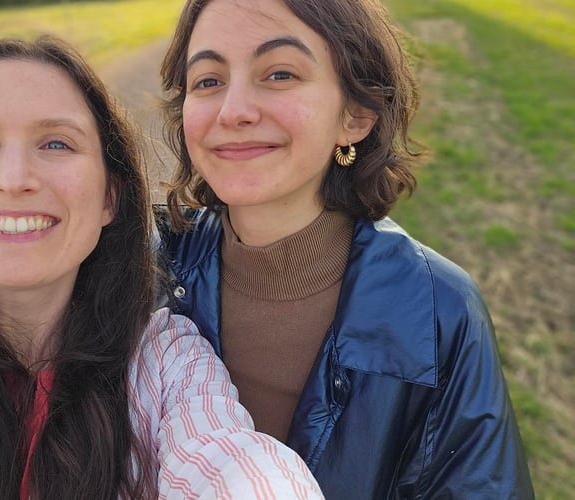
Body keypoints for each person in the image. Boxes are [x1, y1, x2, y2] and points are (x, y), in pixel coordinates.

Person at [0, 36, 325, 499]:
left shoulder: (169, 365)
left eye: (56, 143)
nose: (14, 179)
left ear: (110, 198)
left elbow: (232, 462)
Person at [154, 0, 534, 498]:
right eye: (208, 81)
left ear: (356, 114)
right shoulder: (150, 267)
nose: (234, 111)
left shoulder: (438, 311)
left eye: (280, 74)